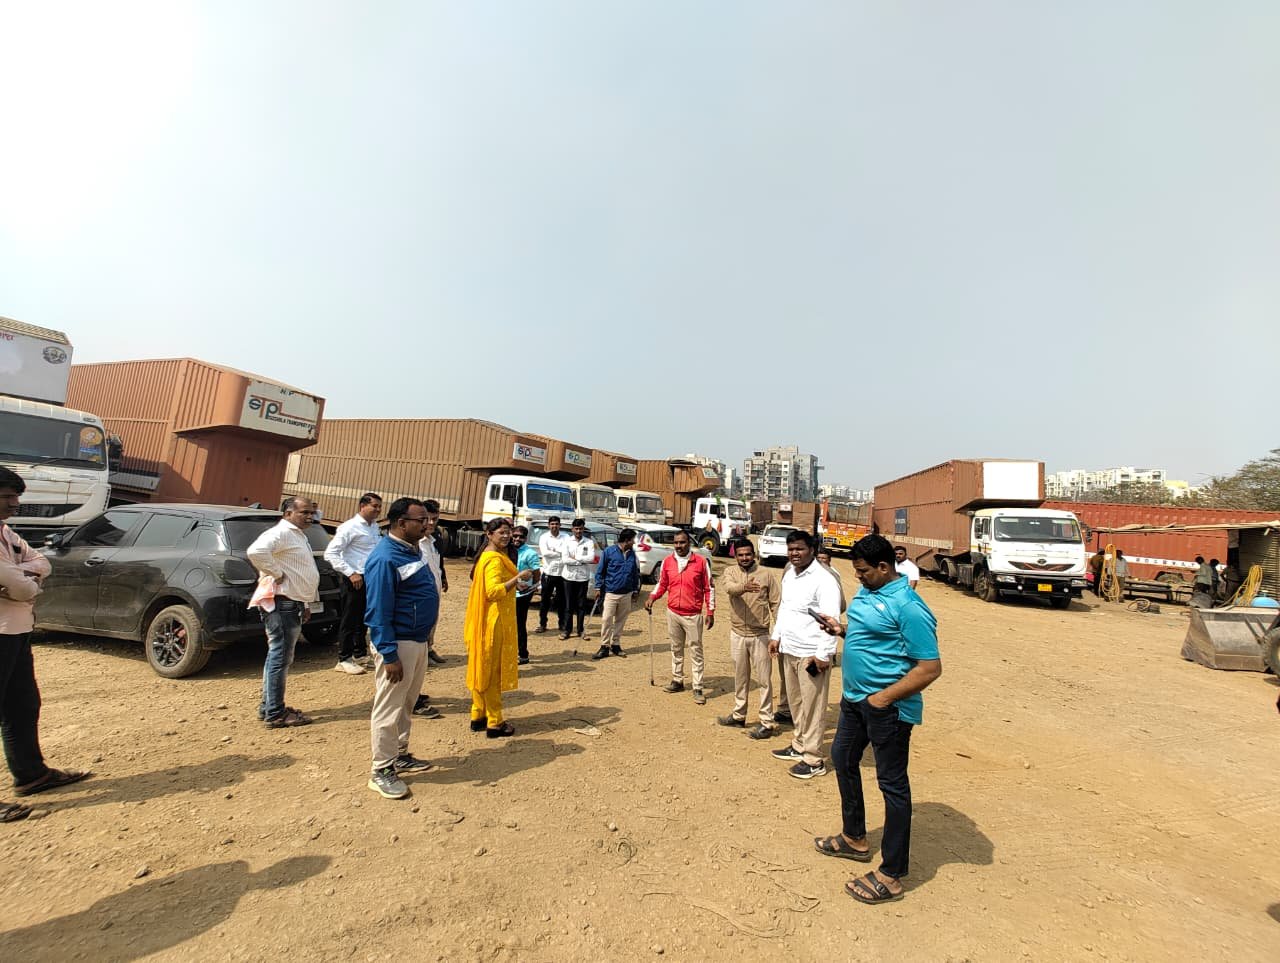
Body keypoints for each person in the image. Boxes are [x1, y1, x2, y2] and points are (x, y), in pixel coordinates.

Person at [812, 533, 942, 904]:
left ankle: (892, 874)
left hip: (888, 708)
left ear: (884, 567)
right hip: (854, 701)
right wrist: (840, 629)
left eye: (864, 571)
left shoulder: (908, 606)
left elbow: (930, 667)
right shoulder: (870, 591)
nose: (859, 577)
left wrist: (883, 698)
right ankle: (854, 837)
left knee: (892, 785)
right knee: (842, 758)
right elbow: (871, 634)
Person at [0, 466, 91, 819]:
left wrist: (23, 578)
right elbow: (21, 586)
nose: (15, 504)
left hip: (17, 630)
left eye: (16, 497)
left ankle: (31, 775)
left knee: (23, 705)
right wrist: (24, 580)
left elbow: (40, 562)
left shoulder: (6, 533)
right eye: (8, 497)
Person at [363, 498, 440, 800]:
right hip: (399, 643)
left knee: (407, 702)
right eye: (421, 520)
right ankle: (381, 769)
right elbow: (378, 611)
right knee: (389, 706)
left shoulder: (412, 550)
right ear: (401, 523)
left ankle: (400, 754)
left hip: (417, 641)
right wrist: (389, 654)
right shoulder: (385, 558)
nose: (427, 524)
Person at [768, 530, 842, 779]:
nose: (794, 553)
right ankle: (799, 745)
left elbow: (831, 620)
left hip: (812, 654)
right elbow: (785, 609)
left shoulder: (825, 580)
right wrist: (776, 636)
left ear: (812, 549)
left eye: (799, 549)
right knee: (797, 703)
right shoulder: (790, 573)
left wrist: (823, 655)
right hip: (790, 649)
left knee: (813, 707)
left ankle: (813, 759)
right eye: (791, 549)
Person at [247, 496, 321, 728]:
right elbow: (256, 551)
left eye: (311, 513)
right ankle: (275, 713)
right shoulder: (281, 533)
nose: (309, 517)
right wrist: (276, 573)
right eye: (304, 512)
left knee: (278, 657)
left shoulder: (298, 535)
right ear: (288, 513)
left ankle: (268, 707)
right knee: (280, 657)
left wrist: (305, 603)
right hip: (282, 604)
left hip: (292, 603)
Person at [464, 518, 532, 738]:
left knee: (481, 666)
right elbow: (493, 592)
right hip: (494, 622)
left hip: (485, 620)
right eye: (501, 532)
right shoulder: (493, 559)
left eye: (508, 532)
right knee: (492, 673)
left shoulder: (487, 556)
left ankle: (478, 714)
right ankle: (495, 721)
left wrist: (514, 583)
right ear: (489, 534)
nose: (506, 536)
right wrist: (518, 577)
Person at [718, 539, 781, 738]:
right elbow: (730, 589)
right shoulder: (730, 572)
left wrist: (778, 633)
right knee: (741, 677)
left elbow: (776, 604)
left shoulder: (766, 574)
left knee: (764, 681)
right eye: (740, 555)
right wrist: (744, 587)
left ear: (754, 554)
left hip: (760, 635)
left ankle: (767, 722)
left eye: (748, 554)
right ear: (735, 556)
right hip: (737, 633)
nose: (745, 558)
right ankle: (739, 716)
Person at [645, 530, 715, 705]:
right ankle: (677, 680)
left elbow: (709, 588)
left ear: (689, 543)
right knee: (676, 648)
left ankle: (697, 687)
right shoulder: (668, 561)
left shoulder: (700, 562)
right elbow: (662, 583)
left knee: (696, 651)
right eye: (676, 543)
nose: (679, 546)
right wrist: (652, 597)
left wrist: (710, 611)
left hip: (693, 615)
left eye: (682, 542)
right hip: (673, 613)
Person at [323, 492, 383, 675]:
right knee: (349, 619)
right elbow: (331, 553)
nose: (378, 510)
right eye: (374, 506)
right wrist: (351, 573)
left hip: (371, 578)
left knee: (363, 619)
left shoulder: (374, 527)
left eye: (380, 507)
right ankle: (344, 658)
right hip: (354, 579)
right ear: (362, 506)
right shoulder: (349, 527)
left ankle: (359, 654)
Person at [411, 500, 447, 719]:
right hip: (414, 611)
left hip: (429, 602)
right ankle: (411, 700)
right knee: (411, 659)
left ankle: (414, 693)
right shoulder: (412, 546)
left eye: (434, 519)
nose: (431, 523)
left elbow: (437, 567)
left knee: (420, 657)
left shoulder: (433, 541)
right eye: (426, 519)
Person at [592, 528, 641, 660]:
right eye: (633, 540)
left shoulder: (632, 554)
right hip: (611, 592)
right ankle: (604, 646)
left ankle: (616, 644)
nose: (634, 542)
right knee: (606, 619)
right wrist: (598, 587)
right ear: (627, 540)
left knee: (621, 620)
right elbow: (600, 571)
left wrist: (635, 590)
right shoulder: (609, 552)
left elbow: (634, 573)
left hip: (626, 593)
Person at [560, 519, 594, 641]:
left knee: (581, 605)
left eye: (580, 529)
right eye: (576, 529)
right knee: (568, 605)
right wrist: (581, 560)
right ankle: (567, 630)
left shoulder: (589, 542)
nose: (578, 531)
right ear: (572, 529)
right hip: (568, 577)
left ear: (583, 529)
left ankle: (580, 630)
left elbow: (591, 558)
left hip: (582, 578)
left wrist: (575, 558)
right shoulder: (566, 541)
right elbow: (565, 559)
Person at [512, 525, 541, 665]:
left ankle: (523, 654)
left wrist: (531, 588)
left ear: (526, 538)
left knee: (519, 624)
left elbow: (537, 573)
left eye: (521, 537)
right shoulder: (507, 550)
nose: (517, 539)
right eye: (515, 536)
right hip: (508, 591)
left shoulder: (530, 553)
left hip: (522, 594)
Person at [536, 516, 568, 636]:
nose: (554, 526)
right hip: (548, 573)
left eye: (556, 524)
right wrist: (560, 552)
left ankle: (562, 623)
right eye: (552, 524)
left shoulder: (566, 537)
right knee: (545, 600)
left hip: (562, 573)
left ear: (560, 525)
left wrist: (554, 551)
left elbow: (568, 552)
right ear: (549, 525)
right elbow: (545, 553)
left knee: (562, 601)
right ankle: (542, 624)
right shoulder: (544, 537)